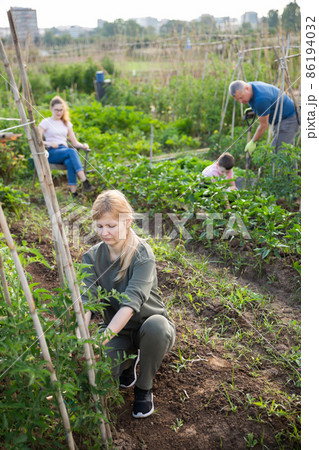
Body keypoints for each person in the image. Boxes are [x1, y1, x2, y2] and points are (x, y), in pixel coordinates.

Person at [80, 190, 176, 418]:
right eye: (99, 226)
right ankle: (128, 360)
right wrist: (83, 340)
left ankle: (144, 387)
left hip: (148, 328)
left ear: (128, 221)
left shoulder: (142, 254)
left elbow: (130, 305)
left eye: (111, 226)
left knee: (157, 327)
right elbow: (87, 303)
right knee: (99, 375)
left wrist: (100, 339)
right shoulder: (91, 257)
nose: (105, 232)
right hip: (117, 330)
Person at [38, 96, 93, 196]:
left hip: (65, 152)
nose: (59, 112)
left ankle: (74, 194)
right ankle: (84, 180)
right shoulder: (45, 122)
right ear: (51, 109)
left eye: (61, 110)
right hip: (52, 152)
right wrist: (48, 143)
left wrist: (83, 145)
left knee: (70, 161)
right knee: (72, 151)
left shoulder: (66, 123)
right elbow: (37, 140)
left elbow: (75, 143)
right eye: (56, 110)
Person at [229, 80, 299, 155]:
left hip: (289, 119)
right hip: (281, 117)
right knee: (287, 152)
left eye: (241, 97)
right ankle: (292, 167)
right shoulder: (251, 86)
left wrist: (253, 141)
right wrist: (254, 109)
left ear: (247, 88)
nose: (240, 101)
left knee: (277, 153)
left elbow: (264, 125)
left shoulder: (260, 99)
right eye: (238, 99)